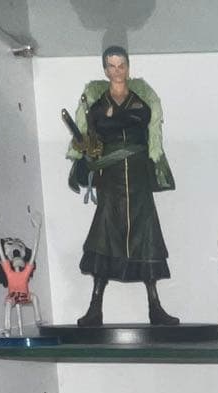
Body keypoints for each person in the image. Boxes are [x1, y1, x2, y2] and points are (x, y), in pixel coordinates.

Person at [65, 44, 179, 328]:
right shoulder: (96, 101)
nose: (117, 71)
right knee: (104, 235)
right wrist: (88, 148)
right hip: (111, 177)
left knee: (147, 235)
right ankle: (95, 307)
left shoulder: (142, 99)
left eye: (121, 65)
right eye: (111, 66)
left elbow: (145, 125)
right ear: (105, 69)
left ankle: (155, 306)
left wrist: (115, 121)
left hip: (138, 176)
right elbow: (92, 132)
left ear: (128, 67)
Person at [0, 208, 43, 335]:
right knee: (8, 303)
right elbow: (0, 249)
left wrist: (37, 229)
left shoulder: (25, 272)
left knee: (34, 297)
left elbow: (34, 253)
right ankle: (7, 328)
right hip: (13, 297)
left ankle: (38, 321)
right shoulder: (9, 272)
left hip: (24, 296)